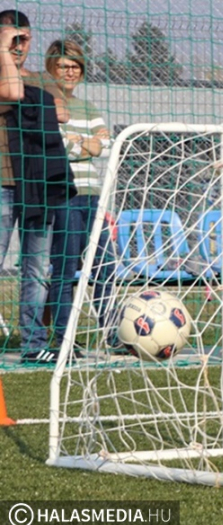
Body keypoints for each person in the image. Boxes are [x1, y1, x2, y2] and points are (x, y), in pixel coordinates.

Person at [0, 10, 75, 365]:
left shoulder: (41, 80)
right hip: (2, 184)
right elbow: (14, 91)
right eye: (13, 39)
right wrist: (3, 50)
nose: (19, 46)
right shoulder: (12, 78)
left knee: (36, 269)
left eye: (24, 39)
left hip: (38, 186)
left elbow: (61, 111)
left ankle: (32, 343)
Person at [44, 39, 114, 360]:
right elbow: (58, 148)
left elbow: (109, 146)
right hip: (64, 196)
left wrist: (80, 142)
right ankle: (62, 337)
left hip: (93, 198)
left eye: (75, 66)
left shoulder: (88, 108)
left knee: (105, 265)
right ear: (51, 69)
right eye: (63, 66)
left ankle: (112, 334)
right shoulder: (46, 104)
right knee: (66, 267)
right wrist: (88, 144)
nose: (69, 72)